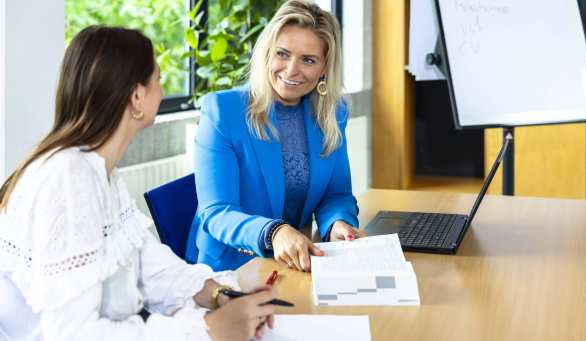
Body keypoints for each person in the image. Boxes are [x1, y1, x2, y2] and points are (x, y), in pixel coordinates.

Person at [0, 26, 276, 341]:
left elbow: (150, 267)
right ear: (136, 96)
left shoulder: (101, 173)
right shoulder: (69, 179)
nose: (161, 89)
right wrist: (209, 329)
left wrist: (223, 294)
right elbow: (73, 334)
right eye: (157, 78)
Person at [189, 0, 366, 273]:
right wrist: (274, 232)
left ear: (324, 69)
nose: (292, 70)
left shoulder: (333, 113)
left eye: (308, 60)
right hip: (232, 267)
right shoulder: (223, 112)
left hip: (296, 263)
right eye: (282, 54)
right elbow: (216, 213)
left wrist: (337, 224)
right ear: (267, 53)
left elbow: (336, 194)